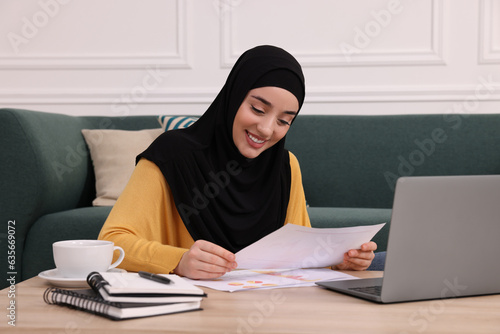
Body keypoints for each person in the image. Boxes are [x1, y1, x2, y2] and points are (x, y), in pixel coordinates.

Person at [98, 45, 376, 279]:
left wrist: (338, 261)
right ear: (233, 97)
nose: (267, 129)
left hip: (268, 309)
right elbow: (109, 245)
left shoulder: (285, 165)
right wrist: (179, 261)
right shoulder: (171, 155)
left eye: (283, 121)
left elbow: (298, 254)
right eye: (257, 109)